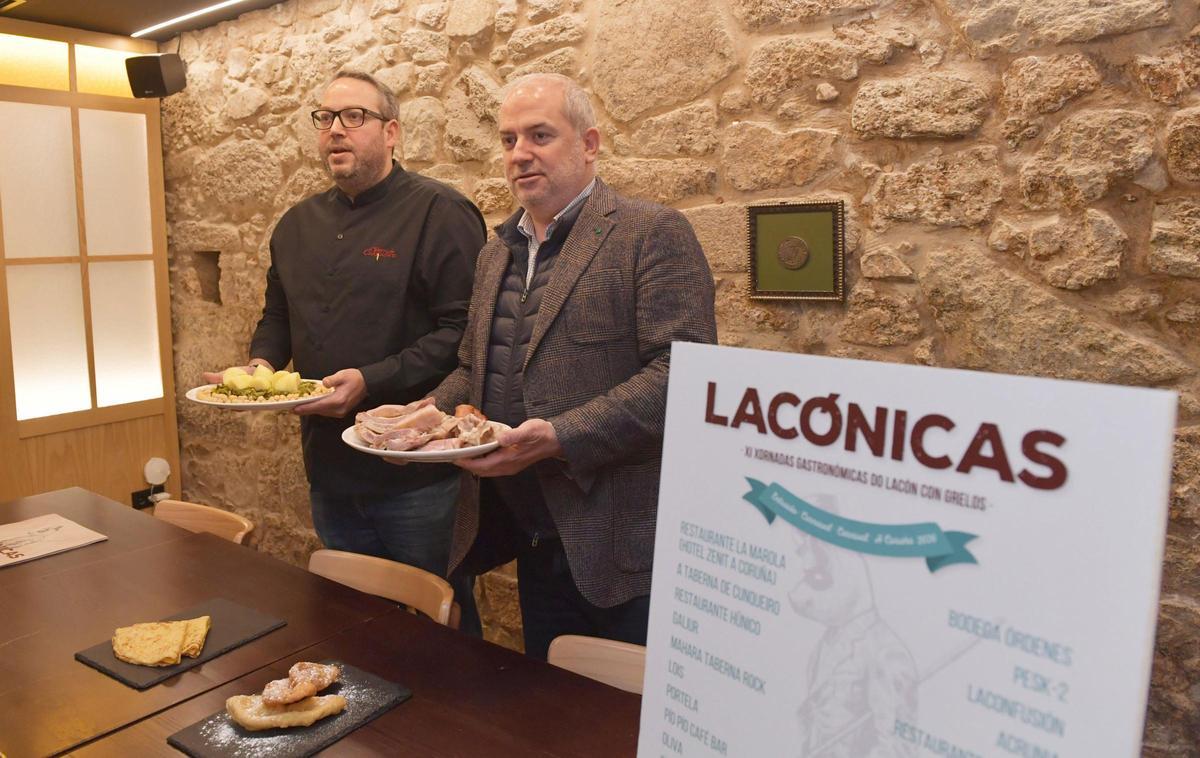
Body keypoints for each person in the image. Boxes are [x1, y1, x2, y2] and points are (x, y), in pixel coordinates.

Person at [424, 73, 718, 659]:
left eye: (539, 135)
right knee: (556, 713)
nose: (519, 154)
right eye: (508, 140)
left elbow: (683, 375)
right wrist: (421, 414)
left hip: (619, 543)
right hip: (532, 533)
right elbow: (472, 369)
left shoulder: (650, 233)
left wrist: (561, 437)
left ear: (589, 144)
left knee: (629, 723)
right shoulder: (496, 251)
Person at [205, 70, 486, 624]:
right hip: (329, 464)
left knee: (439, 619)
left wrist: (371, 378)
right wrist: (259, 365)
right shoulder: (295, 224)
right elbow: (278, 317)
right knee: (354, 622)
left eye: (355, 117)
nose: (337, 130)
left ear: (392, 132)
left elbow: (464, 334)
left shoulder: (441, 212)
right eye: (326, 118)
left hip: (417, 471)